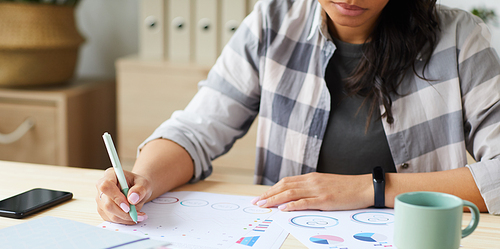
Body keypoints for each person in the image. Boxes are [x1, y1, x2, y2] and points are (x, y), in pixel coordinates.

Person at [97, 0, 500, 224]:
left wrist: (370, 189)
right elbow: (197, 130)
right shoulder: (273, 22)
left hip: (418, 247)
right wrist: (144, 179)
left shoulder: (460, 38)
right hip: (290, 246)